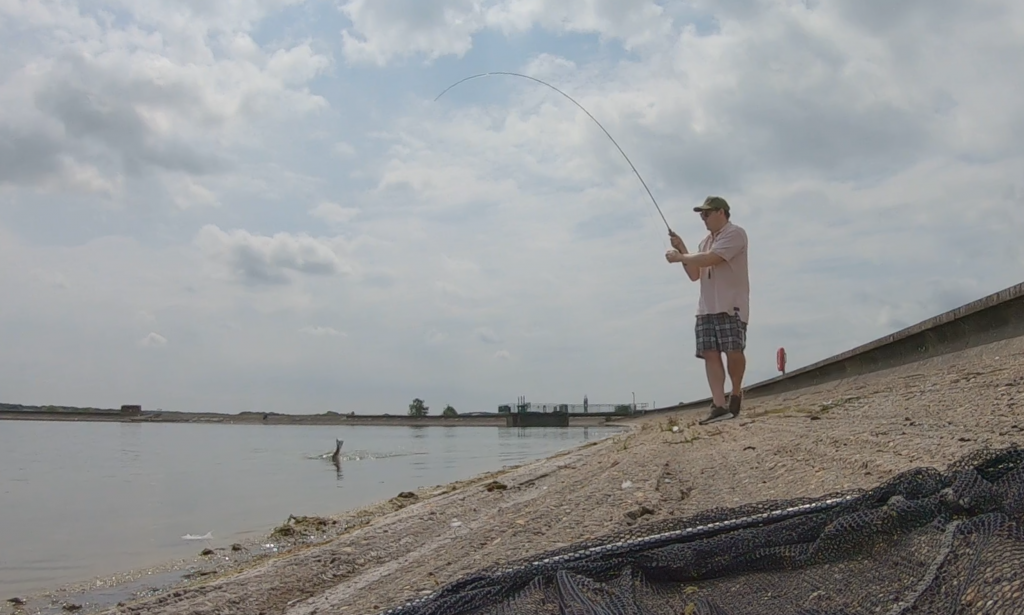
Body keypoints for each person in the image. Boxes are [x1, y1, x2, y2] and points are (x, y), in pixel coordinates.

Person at [664, 196, 749, 424]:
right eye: (701, 214)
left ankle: (737, 391)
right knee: (709, 354)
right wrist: (682, 248)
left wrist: (680, 256)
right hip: (705, 308)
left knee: (734, 351)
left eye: (707, 213)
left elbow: (711, 259)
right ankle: (719, 404)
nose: (703, 218)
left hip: (731, 305)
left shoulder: (735, 234)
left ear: (721, 212)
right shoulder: (703, 243)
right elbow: (695, 273)